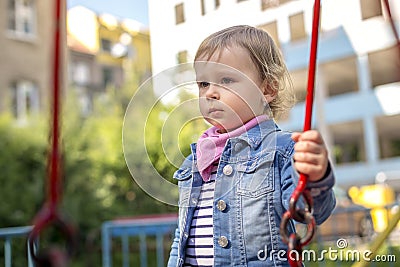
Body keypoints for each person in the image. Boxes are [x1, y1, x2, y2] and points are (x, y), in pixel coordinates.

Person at [168, 25, 336, 267]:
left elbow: (311, 212)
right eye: (203, 83)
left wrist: (316, 177)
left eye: (226, 80)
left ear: (267, 89)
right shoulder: (195, 161)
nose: (210, 93)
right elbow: (181, 237)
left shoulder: (283, 149)